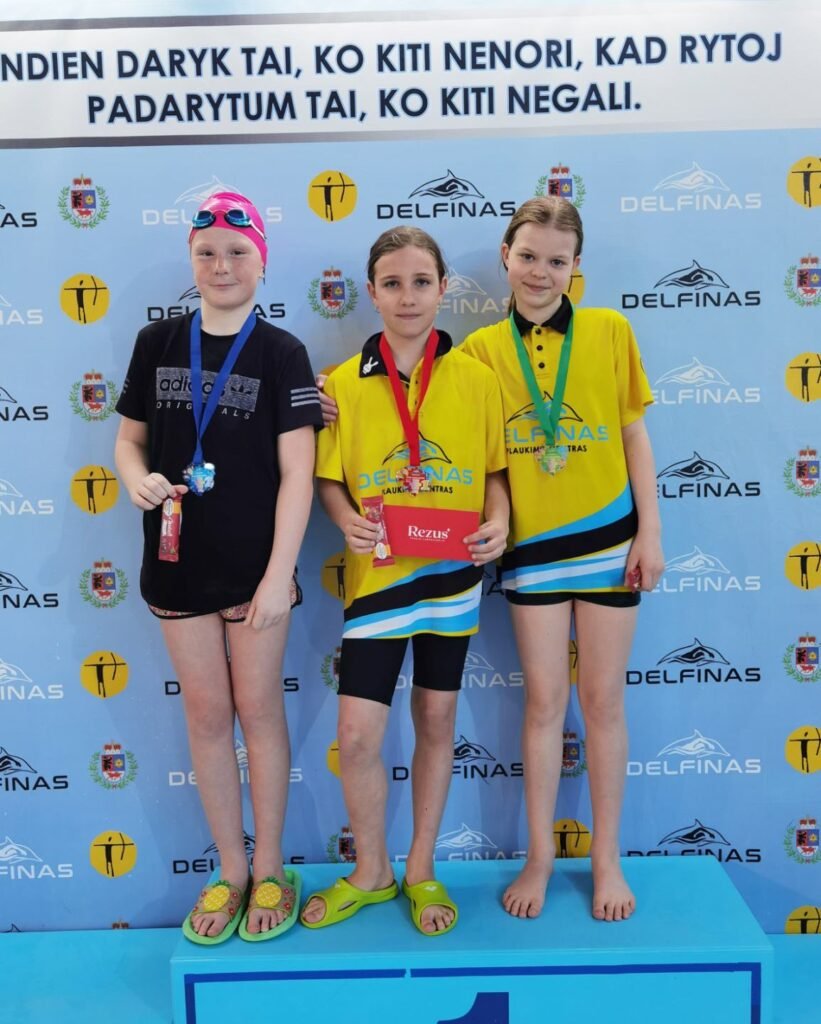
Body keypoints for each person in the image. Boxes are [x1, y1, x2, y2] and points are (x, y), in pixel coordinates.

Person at [114, 191, 322, 943]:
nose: (222, 265)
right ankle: (230, 871)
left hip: (253, 570)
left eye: (237, 252)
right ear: (191, 259)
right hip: (176, 565)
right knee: (206, 714)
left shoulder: (282, 352)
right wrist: (134, 477)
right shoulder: (158, 342)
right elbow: (129, 442)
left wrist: (277, 577)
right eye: (207, 253)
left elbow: (298, 476)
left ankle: (270, 867)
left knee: (258, 710)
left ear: (261, 262)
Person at [459, 197, 664, 922]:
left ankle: (607, 858)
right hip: (533, 554)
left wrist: (650, 532)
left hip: (610, 542)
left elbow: (633, 434)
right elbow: (485, 458)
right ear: (505, 257)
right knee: (544, 705)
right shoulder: (479, 350)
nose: (539, 272)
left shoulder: (609, 331)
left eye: (556, 260)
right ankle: (540, 857)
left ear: (576, 266)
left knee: (603, 703)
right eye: (527, 256)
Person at [301, 226, 509, 936]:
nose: (408, 296)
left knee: (437, 720)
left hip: (452, 575)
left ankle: (420, 867)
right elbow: (328, 479)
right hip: (379, 581)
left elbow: (494, 474)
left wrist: (499, 522)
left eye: (421, 282)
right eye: (392, 283)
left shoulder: (476, 378)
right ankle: (371, 871)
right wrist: (343, 518)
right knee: (358, 736)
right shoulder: (339, 384)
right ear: (371, 293)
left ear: (443, 289)